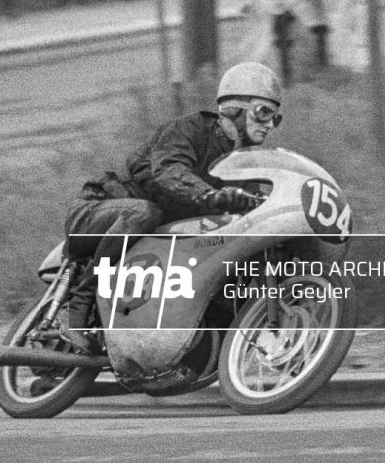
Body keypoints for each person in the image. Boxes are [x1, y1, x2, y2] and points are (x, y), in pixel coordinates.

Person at [59, 63, 281, 352]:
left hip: (145, 236)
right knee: (143, 212)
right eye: (263, 112)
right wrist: (210, 196)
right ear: (234, 107)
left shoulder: (243, 166)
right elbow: (169, 170)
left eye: (275, 118)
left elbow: (252, 211)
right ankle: (78, 306)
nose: (268, 123)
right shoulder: (190, 129)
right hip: (97, 210)